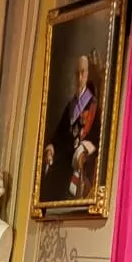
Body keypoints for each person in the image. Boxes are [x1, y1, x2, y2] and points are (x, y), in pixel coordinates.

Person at [42, 55, 101, 203]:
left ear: (88, 74)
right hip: (65, 154)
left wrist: (83, 149)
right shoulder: (71, 105)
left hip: (80, 154)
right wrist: (51, 147)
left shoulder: (93, 105)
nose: (79, 77)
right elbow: (60, 132)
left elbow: (96, 136)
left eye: (83, 72)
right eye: (77, 73)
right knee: (51, 178)